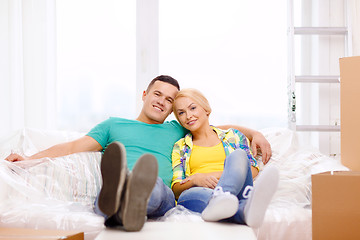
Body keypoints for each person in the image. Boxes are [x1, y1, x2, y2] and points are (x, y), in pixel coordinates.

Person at [5, 75, 272, 231]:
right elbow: (74, 146)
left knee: (152, 184)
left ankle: (123, 202)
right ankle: (120, 198)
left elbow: (215, 127)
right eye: (157, 94)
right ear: (144, 94)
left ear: (172, 111)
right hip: (123, 186)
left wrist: (255, 133)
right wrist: (30, 158)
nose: (162, 101)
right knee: (124, 187)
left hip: (163, 194)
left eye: (170, 101)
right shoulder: (113, 125)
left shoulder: (176, 130)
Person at [171, 88, 279, 227]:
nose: (188, 115)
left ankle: (222, 195)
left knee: (239, 155)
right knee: (187, 196)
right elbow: (176, 188)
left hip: (237, 187)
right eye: (181, 113)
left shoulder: (233, 136)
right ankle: (243, 211)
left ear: (206, 109)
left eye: (193, 108)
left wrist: (218, 176)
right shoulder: (180, 147)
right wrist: (196, 179)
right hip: (200, 192)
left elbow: (252, 170)